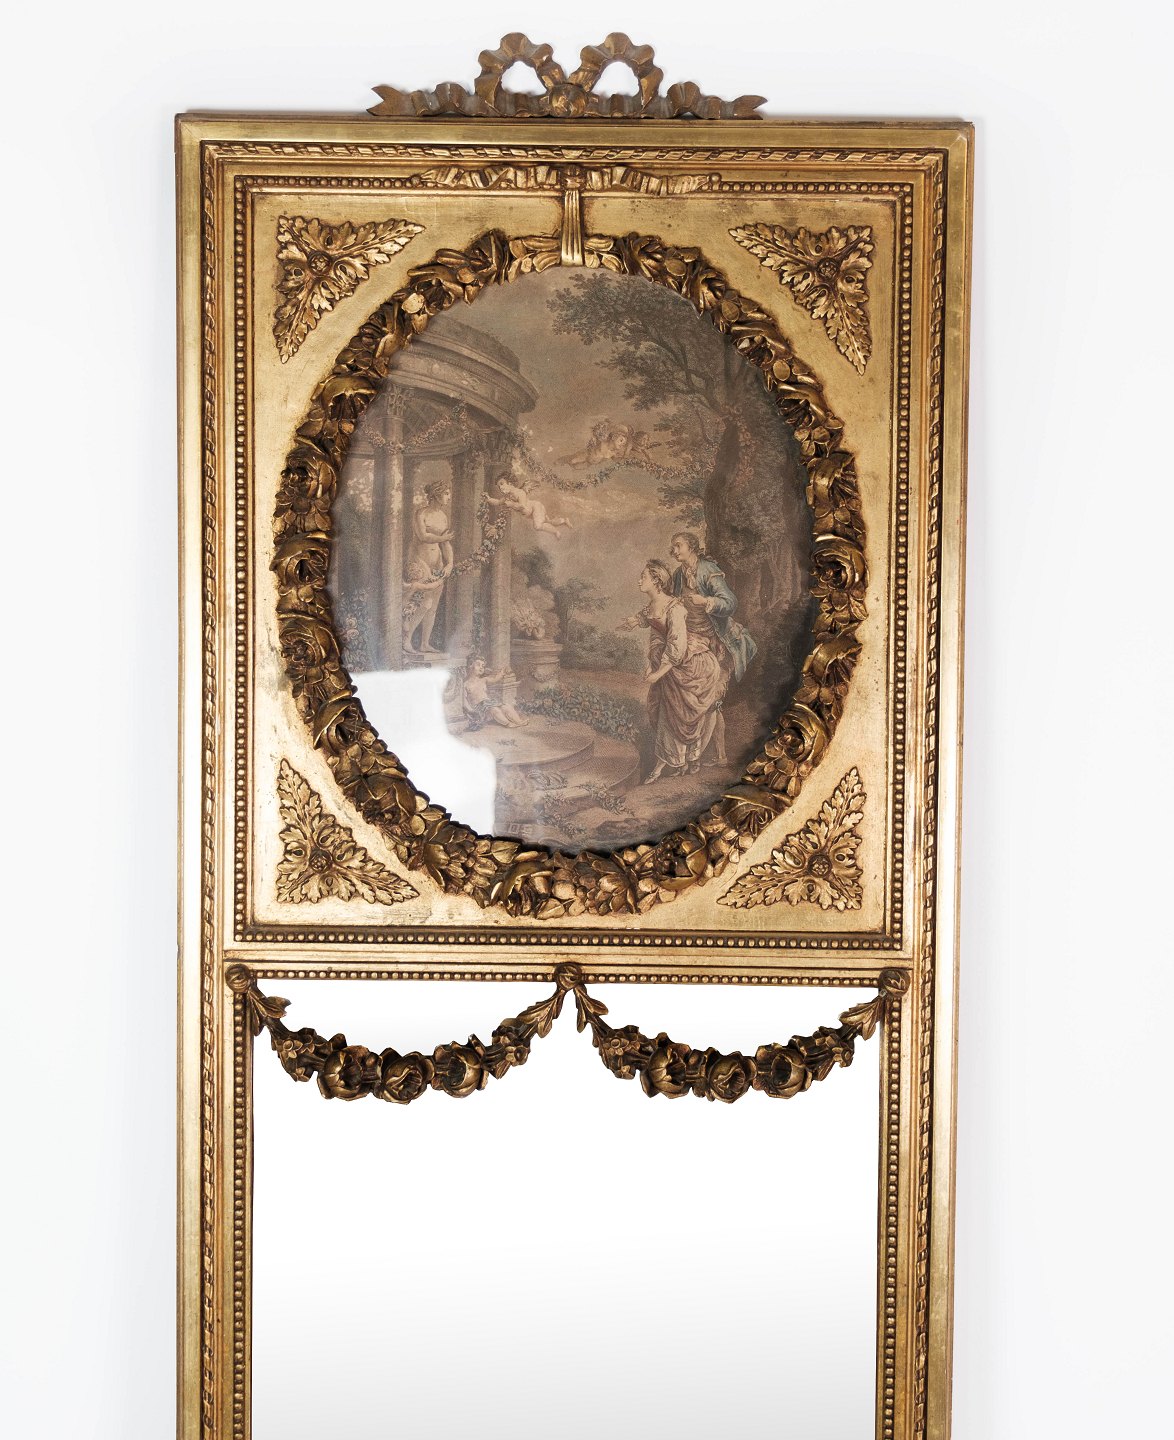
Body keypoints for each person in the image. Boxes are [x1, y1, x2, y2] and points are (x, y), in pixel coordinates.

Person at [618, 560, 727, 783]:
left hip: (692, 666)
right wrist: (634, 625)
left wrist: (658, 673)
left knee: (680, 714)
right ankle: (681, 761)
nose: (639, 580)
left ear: (656, 581)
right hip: (673, 666)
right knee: (669, 711)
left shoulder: (675, 608)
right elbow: (650, 623)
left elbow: (677, 646)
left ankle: (665, 765)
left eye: (644, 577)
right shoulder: (654, 604)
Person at [666, 531, 757, 765]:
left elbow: (730, 603)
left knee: (712, 702)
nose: (674, 551)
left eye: (678, 546)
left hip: (716, 644)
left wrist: (706, 601)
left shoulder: (708, 570)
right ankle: (689, 754)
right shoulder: (678, 575)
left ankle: (720, 756)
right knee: (690, 699)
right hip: (692, 645)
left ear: (691, 547)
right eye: (673, 547)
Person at [403, 481, 453, 654]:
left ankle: (425, 643)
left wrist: (450, 563)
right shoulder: (421, 513)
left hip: (437, 562)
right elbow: (423, 536)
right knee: (424, 603)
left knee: (433, 606)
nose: (448, 497)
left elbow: (446, 543)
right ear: (436, 495)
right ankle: (406, 639)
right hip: (419, 560)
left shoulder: (443, 516)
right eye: (446, 493)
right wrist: (443, 538)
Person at [484, 475, 572, 540]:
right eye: (499, 486)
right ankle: (564, 520)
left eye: (502, 484)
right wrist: (488, 499)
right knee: (549, 522)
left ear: (510, 483)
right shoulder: (508, 496)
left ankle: (556, 531)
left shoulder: (519, 492)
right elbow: (498, 502)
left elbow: (522, 506)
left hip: (535, 507)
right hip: (531, 513)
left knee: (538, 526)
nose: (501, 487)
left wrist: (511, 504)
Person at [461, 655, 528, 730]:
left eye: (483, 666)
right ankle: (508, 723)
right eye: (478, 665)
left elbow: (495, 679)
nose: (481, 667)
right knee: (494, 709)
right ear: (470, 666)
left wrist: (502, 672)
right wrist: (472, 711)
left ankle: (519, 721)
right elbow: (464, 701)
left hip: (489, 703)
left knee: (506, 706)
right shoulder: (465, 684)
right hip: (479, 708)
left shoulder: (484, 680)